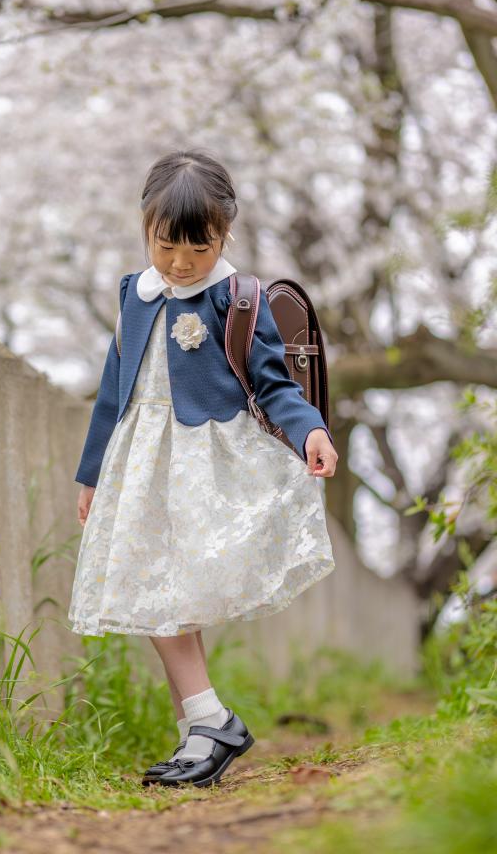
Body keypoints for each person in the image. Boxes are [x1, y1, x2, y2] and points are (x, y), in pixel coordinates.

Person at [69, 149, 338, 788]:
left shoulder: (235, 297)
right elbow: (114, 387)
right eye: (167, 245)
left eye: (201, 247)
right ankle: (202, 727)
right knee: (155, 589)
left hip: (207, 460)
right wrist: (92, 472)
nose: (182, 263)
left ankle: (205, 724)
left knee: (170, 593)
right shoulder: (133, 294)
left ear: (226, 234)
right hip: (142, 459)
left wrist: (312, 431)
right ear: (146, 227)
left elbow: (273, 384)